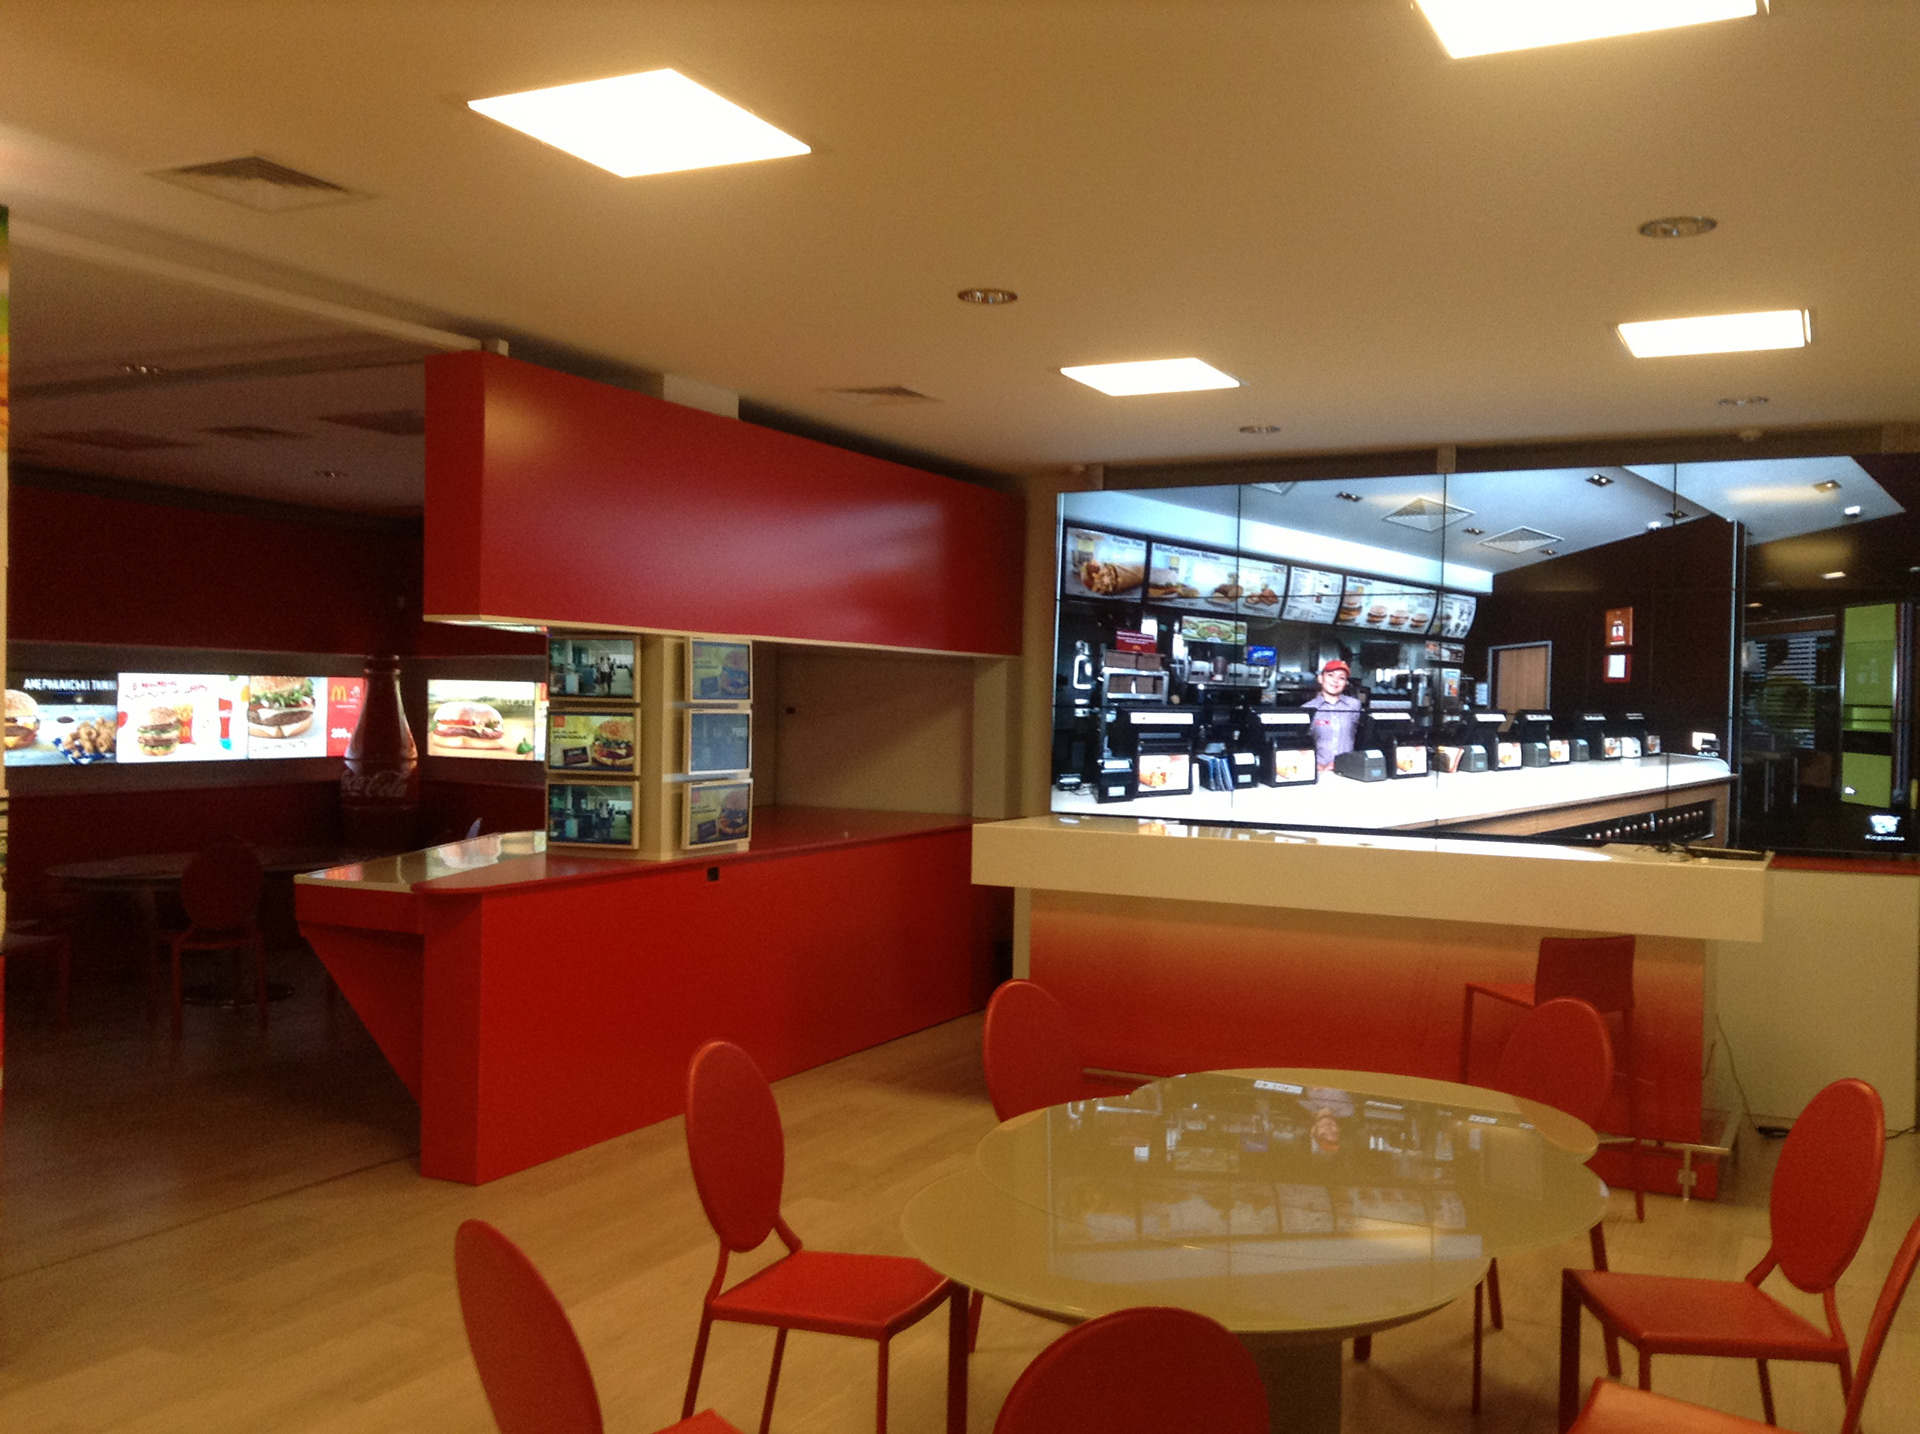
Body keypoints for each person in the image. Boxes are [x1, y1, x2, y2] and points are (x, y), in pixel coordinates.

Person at [1302, 659, 1362, 770]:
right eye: (1330, 675)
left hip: (1348, 769)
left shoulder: (1354, 705)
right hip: (1317, 769)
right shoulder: (1307, 708)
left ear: (1346, 683)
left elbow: (1361, 738)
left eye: (1342, 678)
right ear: (1320, 678)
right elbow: (1300, 743)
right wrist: (1315, 765)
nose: (1335, 681)